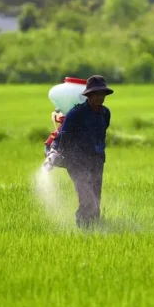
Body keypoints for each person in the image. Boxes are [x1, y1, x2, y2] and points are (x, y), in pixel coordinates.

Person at [51, 75, 113, 228]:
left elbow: (102, 133)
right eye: (96, 94)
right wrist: (54, 151)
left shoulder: (105, 113)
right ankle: (82, 227)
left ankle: (95, 226)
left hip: (97, 160)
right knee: (86, 197)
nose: (100, 97)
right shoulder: (76, 113)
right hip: (77, 160)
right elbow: (63, 134)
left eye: (102, 94)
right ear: (89, 95)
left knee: (96, 196)